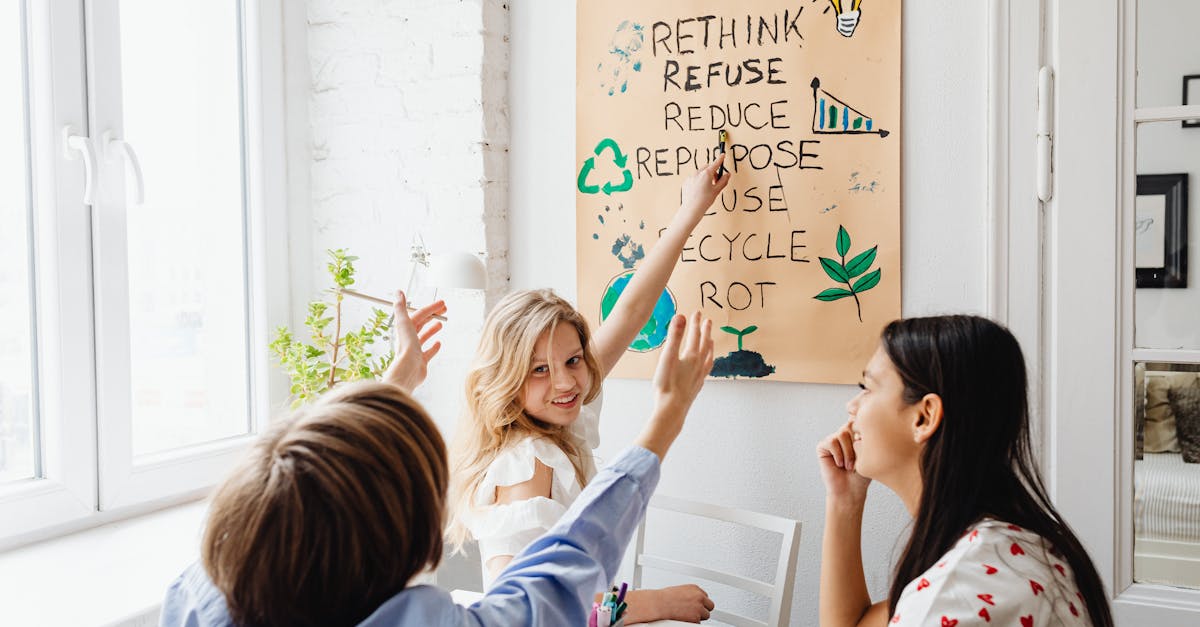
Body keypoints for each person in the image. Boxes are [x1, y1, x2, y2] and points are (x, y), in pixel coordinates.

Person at [158, 289, 716, 627]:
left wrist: (396, 381)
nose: (565, 379)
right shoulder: (417, 616)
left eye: (571, 362)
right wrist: (668, 414)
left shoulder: (200, 590)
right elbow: (554, 581)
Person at [445, 154, 729, 623]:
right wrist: (658, 602)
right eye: (538, 370)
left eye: (573, 360)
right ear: (507, 381)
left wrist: (690, 210)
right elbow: (526, 613)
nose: (565, 382)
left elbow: (633, 311)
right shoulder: (527, 464)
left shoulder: (565, 414)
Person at [816, 315, 1114, 627]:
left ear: (924, 417)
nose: (852, 405)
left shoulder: (960, 591)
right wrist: (844, 499)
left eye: (867, 387)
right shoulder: (1004, 548)